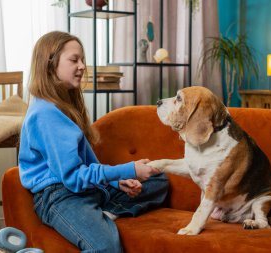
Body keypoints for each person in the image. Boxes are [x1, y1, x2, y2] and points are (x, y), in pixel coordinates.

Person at [18, 31, 169, 253]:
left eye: (82, 60)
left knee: (159, 179)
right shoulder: (46, 114)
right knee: (106, 246)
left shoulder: (63, 106)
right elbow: (73, 178)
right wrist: (127, 170)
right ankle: (96, 221)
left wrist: (118, 181)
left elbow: (88, 162)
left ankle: (103, 215)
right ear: (50, 65)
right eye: (74, 60)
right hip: (61, 195)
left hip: (87, 188)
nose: (81, 66)